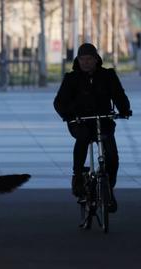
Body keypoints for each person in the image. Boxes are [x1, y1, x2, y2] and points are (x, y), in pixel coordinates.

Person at [53, 43, 132, 213]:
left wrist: (124, 110)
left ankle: (108, 190)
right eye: (82, 59)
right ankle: (78, 177)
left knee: (112, 156)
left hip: (103, 121)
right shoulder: (71, 78)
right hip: (80, 122)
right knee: (83, 138)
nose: (86, 62)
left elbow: (118, 95)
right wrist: (68, 115)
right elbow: (59, 102)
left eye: (89, 59)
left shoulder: (108, 76)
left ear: (96, 60)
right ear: (78, 60)